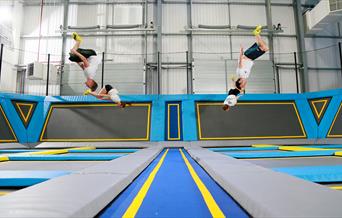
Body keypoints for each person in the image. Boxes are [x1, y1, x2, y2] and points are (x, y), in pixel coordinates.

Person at [223, 25, 269, 111]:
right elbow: (235, 89)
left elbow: (240, 62)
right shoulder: (245, 77)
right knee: (261, 46)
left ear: (240, 82)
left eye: (243, 85)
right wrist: (239, 92)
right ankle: (256, 34)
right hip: (251, 57)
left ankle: (256, 33)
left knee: (265, 48)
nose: (245, 84)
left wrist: (241, 51)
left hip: (247, 56)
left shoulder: (241, 73)